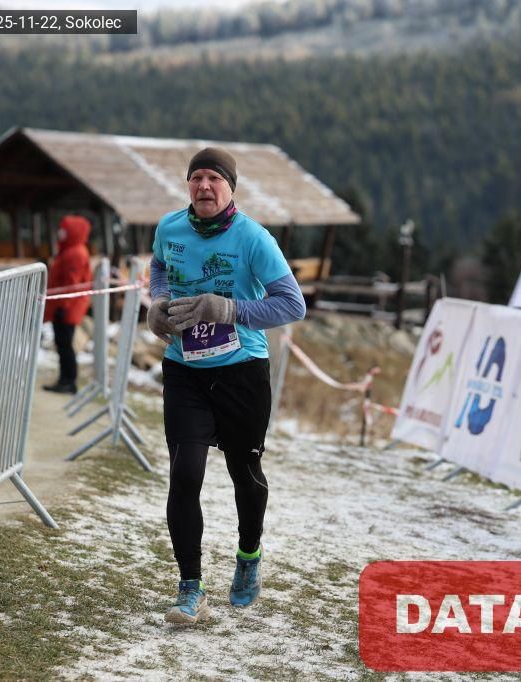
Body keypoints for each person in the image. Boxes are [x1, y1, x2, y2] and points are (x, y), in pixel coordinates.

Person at [147, 147, 306, 624]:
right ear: (188, 185)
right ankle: (190, 587)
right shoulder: (169, 228)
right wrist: (157, 304)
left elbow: (292, 304)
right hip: (185, 370)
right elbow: (159, 267)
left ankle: (249, 555)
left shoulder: (253, 238)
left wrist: (230, 310)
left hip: (242, 372)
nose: (204, 186)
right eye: (197, 177)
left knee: (245, 474)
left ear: (230, 187)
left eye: (214, 178)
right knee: (185, 474)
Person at [43, 215, 93, 394]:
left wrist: (63, 307)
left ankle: (68, 381)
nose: (60, 232)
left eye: (64, 229)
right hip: (65, 306)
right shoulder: (70, 250)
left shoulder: (75, 253)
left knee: (65, 345)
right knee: (63, 344)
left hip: (66, 308)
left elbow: (72, 283)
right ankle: (65, 379)